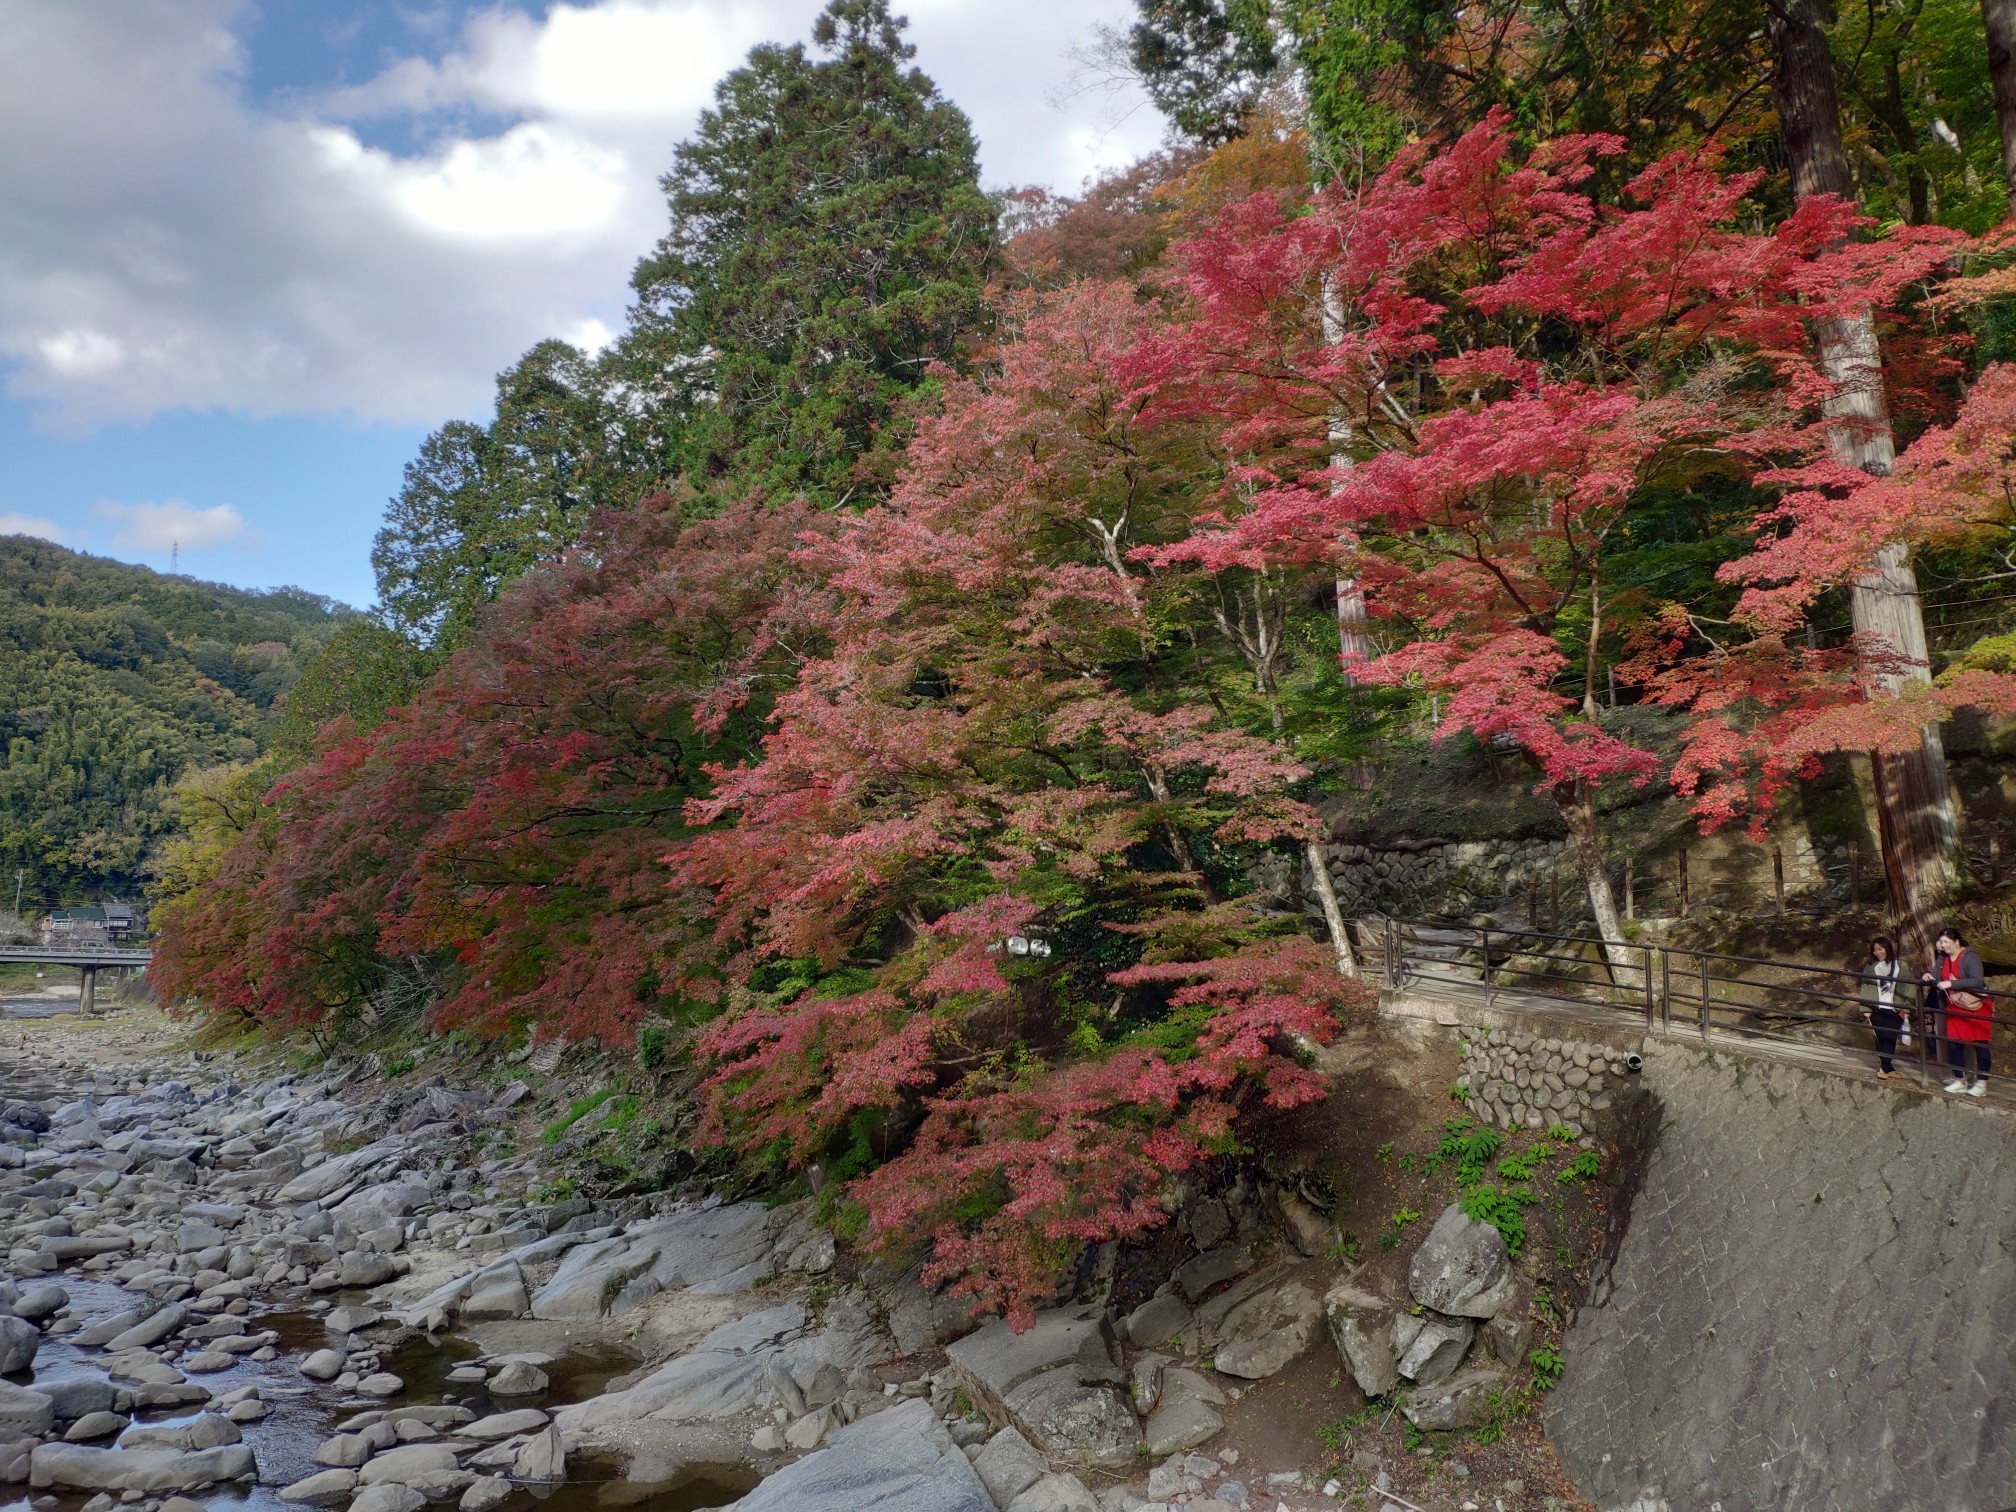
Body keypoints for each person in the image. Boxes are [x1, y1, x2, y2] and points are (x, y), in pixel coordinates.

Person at [1922, 928, 1993, 1097]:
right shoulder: (1943, 958)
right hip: (1954, 1006)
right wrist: (1929, 977)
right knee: (1954, 1044)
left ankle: (1982, 1084)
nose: (1944, 945)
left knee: (1980, 1044)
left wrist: (1951, 984)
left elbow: (1976, 980)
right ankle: (1959, 1080)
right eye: (1942, 942)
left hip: (1976, 1006)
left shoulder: (1970, 956)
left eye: (1947, 942)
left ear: (1956, 942)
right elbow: (1938, 976)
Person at [1858, 937, 1909, 1079]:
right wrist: (1865, 1008)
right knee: (1881, 1038)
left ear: (1887, 948)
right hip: (1877, 1007)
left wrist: (1908, 1008)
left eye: (1880, 949)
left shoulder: (1900, 966)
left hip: (1894, 1007)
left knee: (1891, 1038)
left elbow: (1909, 987)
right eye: (1875, 950)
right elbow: (1865, 987)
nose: (1877, 953)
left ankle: (1883, 1068)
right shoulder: (1870, 967)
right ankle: (1888, 1067)